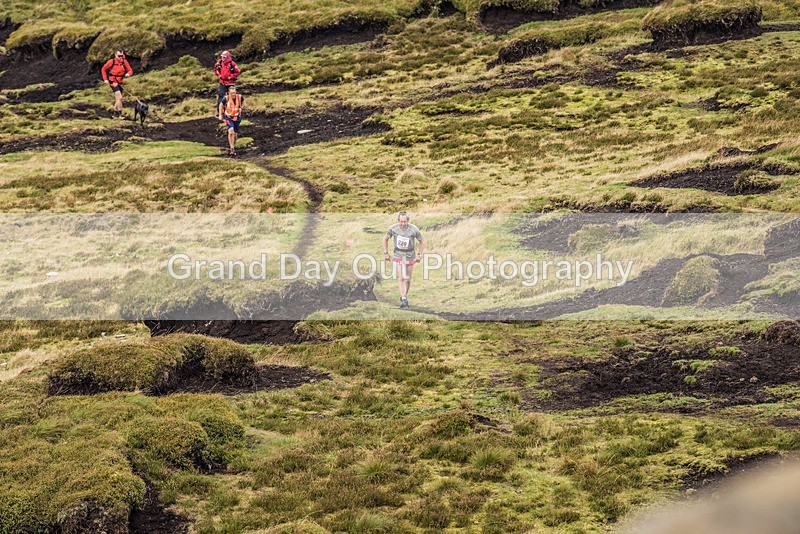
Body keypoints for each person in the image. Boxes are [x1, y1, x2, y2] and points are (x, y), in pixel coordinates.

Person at [383, 211, 424, 308]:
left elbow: (422, 242)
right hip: (398, 254)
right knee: (401, 277)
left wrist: (419, 255)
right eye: (401, 221)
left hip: (410, 255)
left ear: (408, 221)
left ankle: (404, 295)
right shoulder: (393, 228)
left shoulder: (414, 229)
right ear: (398, 221)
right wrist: (386, 252)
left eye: (405, 221)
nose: (403, 224)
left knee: (408, 279)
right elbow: (385, 239)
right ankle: (404, 299)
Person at [101, 50, 133, 119]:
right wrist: (105, 79)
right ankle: (119, 115)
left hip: (120, 82)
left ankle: (115, 114)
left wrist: (128, 74)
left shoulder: (124, 62)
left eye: (122, 56)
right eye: (119, 56)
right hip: (113, 81)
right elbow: (103, 69)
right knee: (120, 97)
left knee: (118, 99)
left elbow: (130, 70)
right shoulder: (111, 62)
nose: (121, 57)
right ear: (115, 55)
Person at [218, 85, 244, 156]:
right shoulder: (226, 99)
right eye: (231, 93)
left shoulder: (240, 97)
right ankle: (232, 148)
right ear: (228, 93)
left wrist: (241, 108)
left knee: (235, 134)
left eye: (234, 92)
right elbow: (221, 105)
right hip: (228, 117)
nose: (233, 94)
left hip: (237, 117)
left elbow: (243, 102)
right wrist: (220, 115)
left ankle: (233, 145)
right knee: (231, 131)